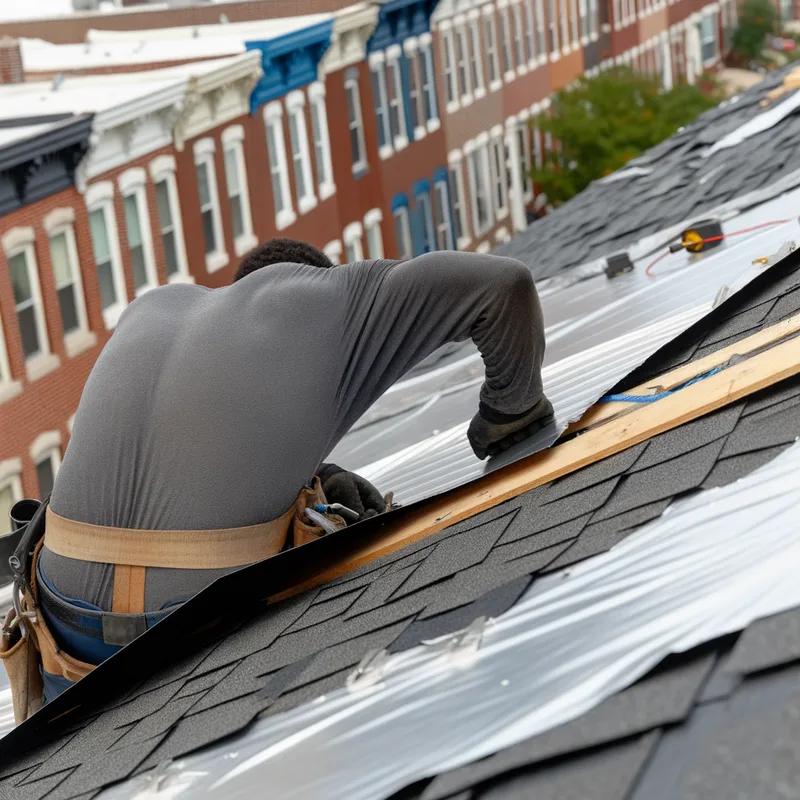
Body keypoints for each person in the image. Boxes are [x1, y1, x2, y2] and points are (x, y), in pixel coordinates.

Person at [28, 240, 552, 705]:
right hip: (193, 622)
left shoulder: (153, 308)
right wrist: (508, 417)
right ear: (322, 272)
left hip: (62, 632)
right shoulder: (340, 299)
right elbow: (505, 284)